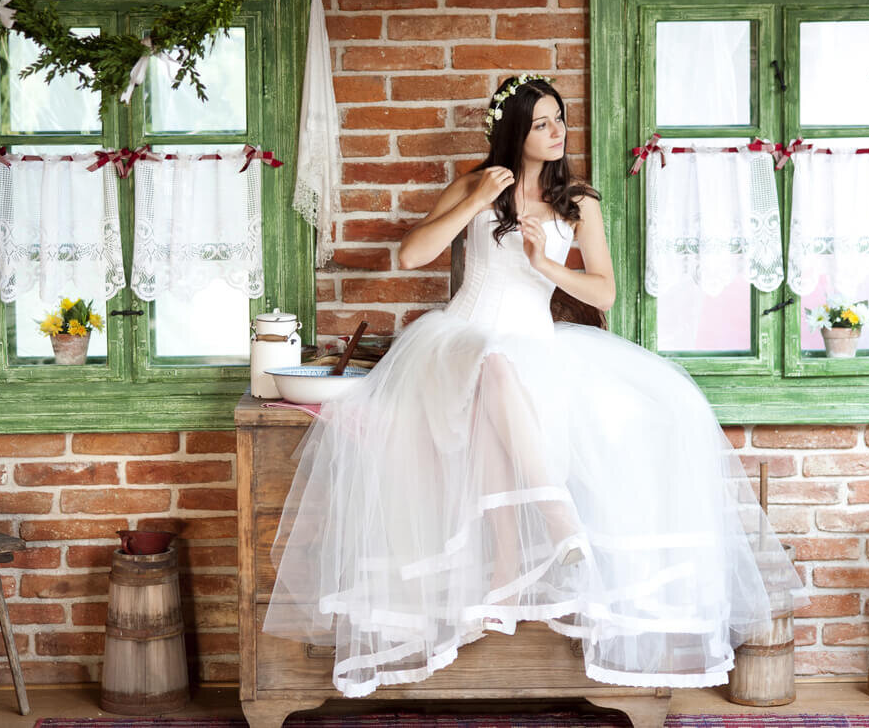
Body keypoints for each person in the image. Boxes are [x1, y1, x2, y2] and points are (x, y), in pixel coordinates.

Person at [263, 74, 802, 698]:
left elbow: (602, 290)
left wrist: (546, 264)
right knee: (492, 363)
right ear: (514, 130)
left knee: (511, 383)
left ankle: (506, 565)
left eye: (560, 120)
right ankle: (556, 520)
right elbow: (412, 256)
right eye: (543, 122)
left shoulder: (579, 201)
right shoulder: (475, 184)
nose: (557, 133)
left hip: (535, 347)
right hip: (458, 340)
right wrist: (474, 202)